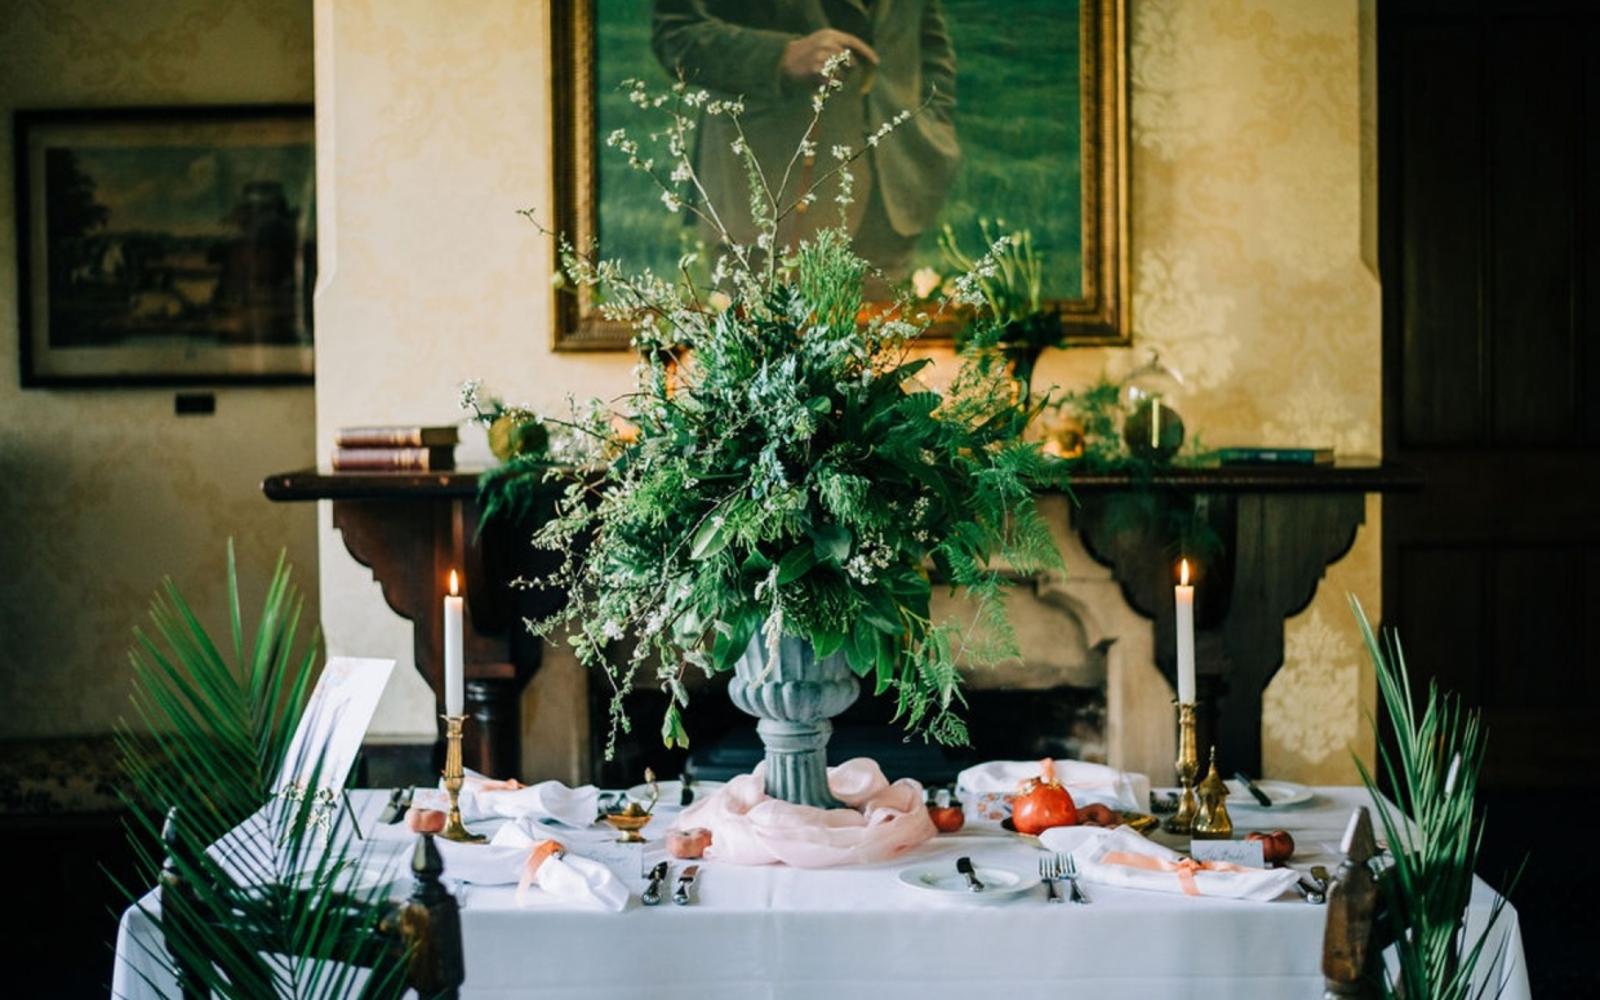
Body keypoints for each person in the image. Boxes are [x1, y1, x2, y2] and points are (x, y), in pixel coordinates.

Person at [652, 0, 959, 291]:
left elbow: (929, 43)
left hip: (890, 198)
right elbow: (676, 35)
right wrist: (783, 55)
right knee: (765, 342)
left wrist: (933, 124)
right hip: (768, 198)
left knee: (890, 343)